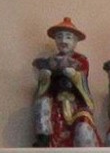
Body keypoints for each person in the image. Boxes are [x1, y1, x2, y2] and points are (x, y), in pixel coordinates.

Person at [32, 17, 98, 146]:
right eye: (60, 37)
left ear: (75, 41)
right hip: (56, 103)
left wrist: (74, 76)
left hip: (75, 104)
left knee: (83, 125)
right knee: (42, 102)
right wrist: (44, 78)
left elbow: (82, 81)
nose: (63, 41)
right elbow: (43, 88)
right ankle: (43, 138)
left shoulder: (81, 60)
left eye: (68, 37)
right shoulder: (51, 61)